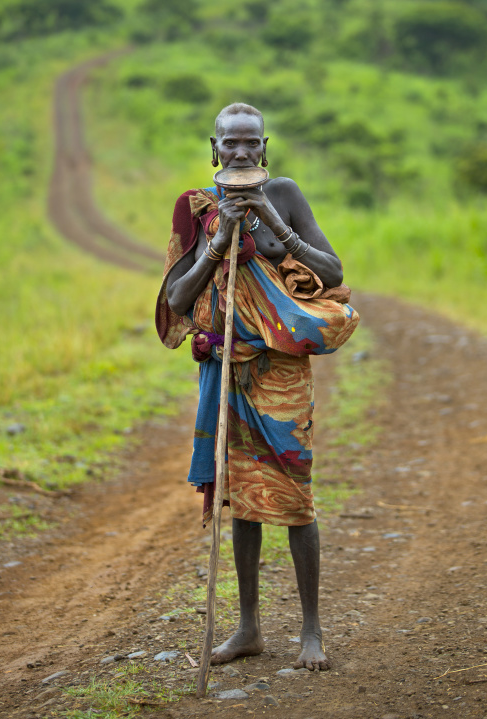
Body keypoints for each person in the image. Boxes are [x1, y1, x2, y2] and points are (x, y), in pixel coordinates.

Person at [155, 103, 359, 671]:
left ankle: (311, 632)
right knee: (242, 499)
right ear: (213, 147)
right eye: (230, 144)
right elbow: (176, 300)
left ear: (264, 147)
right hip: (229, 366)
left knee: (294, 494)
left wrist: (272, 220)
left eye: (250, 144)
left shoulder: (285, 194)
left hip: (282, 369)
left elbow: (333, 271)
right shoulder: (199, 209)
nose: (240, 152)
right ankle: (247, 628)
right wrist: (218, 246)